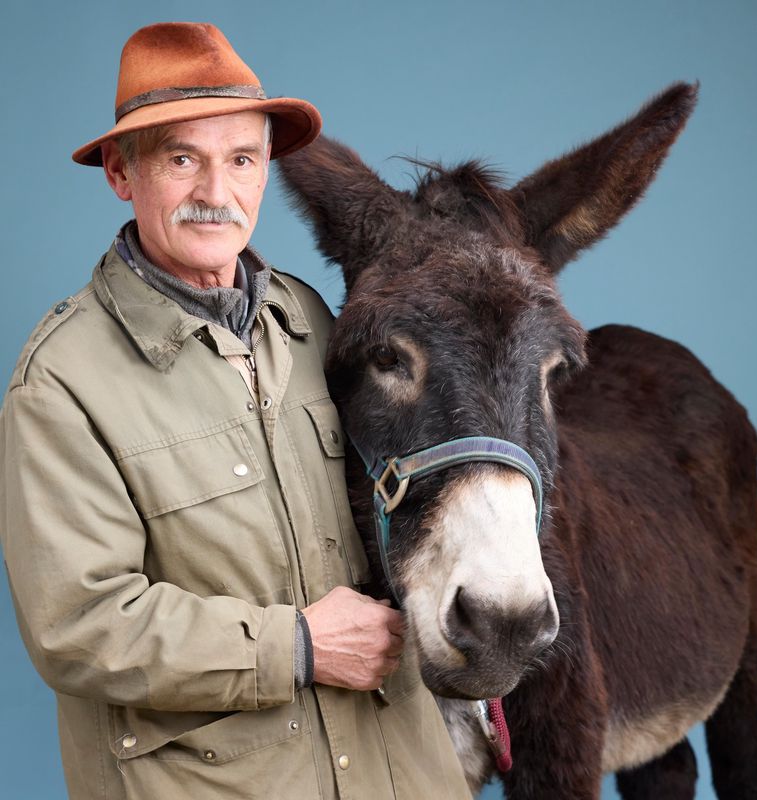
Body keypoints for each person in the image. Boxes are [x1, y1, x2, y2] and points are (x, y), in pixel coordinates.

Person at [0, 22, 470, 800]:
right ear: (121, 171)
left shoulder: (313, 319)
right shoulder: (61, 382)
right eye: (183, 159)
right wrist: (297, 647)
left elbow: (386, 510)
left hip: (396, 771)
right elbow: (79, 624)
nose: (217, 195)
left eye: (243, 160)